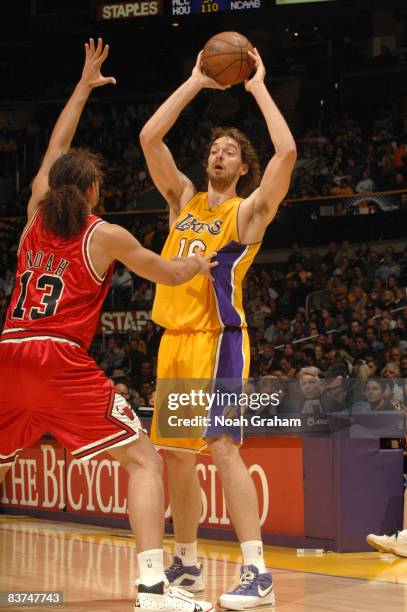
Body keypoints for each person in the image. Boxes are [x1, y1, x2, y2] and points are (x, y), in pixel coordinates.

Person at [0, 39, 215, 612]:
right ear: (93, 190)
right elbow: (166, 274)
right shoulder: (104, 233)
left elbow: (55, 146)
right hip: (56, 358)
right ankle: (151, 588)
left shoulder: (32, 216)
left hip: (7, 351)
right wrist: (198, 263)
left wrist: (82, 87)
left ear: (54, 186)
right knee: (142, 458)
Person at [140, 47, 296, 610]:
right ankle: (186, 562)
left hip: (218, 342)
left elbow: (288, 150)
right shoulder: (184, 199)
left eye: (229, 151)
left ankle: (257, 570)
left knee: (224, 449)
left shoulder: (247, 213)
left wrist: (256, 87)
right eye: (213, 148)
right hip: (174, 342)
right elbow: (149, 140)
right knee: (176, 458)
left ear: (243, 167)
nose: (218, 154)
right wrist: (194, 82)